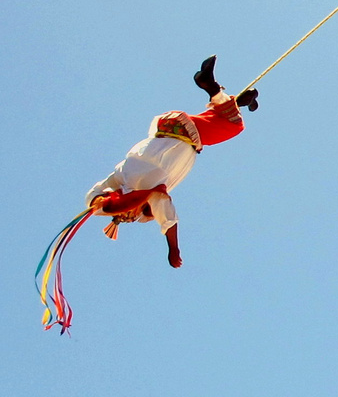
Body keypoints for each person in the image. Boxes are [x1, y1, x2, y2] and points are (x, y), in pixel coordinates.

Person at [84, 56, 259, 268]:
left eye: (128, 215)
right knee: (220, 119)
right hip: (170, 129)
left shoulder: (147, 192)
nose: (132, 214)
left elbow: (168, 221)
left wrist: (173, 249)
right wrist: (100, 201)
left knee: (233, 126)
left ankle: (210, 85)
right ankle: (240, 101)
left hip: (182, 138)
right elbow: (100, 193)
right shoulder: (126, 180)